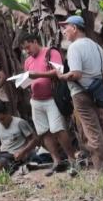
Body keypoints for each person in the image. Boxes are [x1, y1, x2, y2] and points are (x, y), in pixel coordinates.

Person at [57, 15, 103, 177]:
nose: (64, 31)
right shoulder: (96, 46)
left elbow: (76, 74)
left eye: (66, 27)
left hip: (81, 94)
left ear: (74, 28)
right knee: (100, 130)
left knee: (92, 134)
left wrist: (61, 76)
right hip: (97, 93)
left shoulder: (74, 48)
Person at [18, 31, 78, 177]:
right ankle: (56, 161)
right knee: (44, 131)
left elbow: (59, 71)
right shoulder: (28, 61)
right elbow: (29, 77)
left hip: (52, 98)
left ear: (35, 42)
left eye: (28, 47)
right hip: (36, 100)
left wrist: (37, 75)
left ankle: (72, 160)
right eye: (24, 49)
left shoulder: (50, 52)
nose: (27, 51)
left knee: (58, 129)